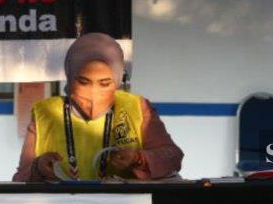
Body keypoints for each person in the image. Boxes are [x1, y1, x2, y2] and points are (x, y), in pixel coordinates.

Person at [12, 32, 183, 181]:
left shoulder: (136, 107)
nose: (93, 93)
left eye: (104, 83)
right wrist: (38, 167)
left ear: (116, 82)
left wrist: (138, 158)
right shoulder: (45, 113)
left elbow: (173, 156)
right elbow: (21, 177)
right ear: (70, 77)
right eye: (83, 82)